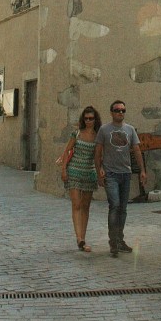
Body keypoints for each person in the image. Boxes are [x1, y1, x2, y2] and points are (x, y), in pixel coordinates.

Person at [94, 101, 146, 257]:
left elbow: (137, 150)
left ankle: (120, 240)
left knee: (123, 208)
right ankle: (113, 241)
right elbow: (97, 152)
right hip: (110, 174)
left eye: (123, 110)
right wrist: (99, 171)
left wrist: (142, 170)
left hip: (125, 173)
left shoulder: (130, 130)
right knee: (115, 205)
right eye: (117, 110)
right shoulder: (104, 130)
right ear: (111, 112)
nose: (120, 113)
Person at [60, 105, 101, 252]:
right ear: (83, 120)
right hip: (74, 171)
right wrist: (64, 169)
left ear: (95, 120)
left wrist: (100, 173)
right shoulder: (76, 133)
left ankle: (83, 236)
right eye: (86, 118)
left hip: (89, 173)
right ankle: (80, 239)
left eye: (91, 118)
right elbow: (67, 151)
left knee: (85, 206)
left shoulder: (98, 136)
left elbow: (98, 158)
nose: (89, 121)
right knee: (76, 204)